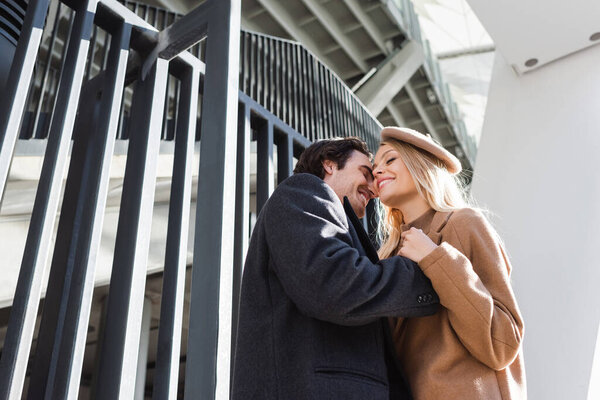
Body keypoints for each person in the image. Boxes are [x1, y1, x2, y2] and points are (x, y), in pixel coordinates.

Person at [232, 137, 439, 400]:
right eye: (366, 172)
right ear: (329, 164)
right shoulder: (304, 190)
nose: (374, 189)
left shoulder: (334, 219)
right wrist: (427, 269)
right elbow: (334, 285)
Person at [372, 126, 526, 399]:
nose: (377, 170)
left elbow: (502, 342)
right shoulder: (388, 254)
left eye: (390, 159)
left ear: (419, 163)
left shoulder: (463, 223)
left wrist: (435, 258)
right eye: (374, 166)